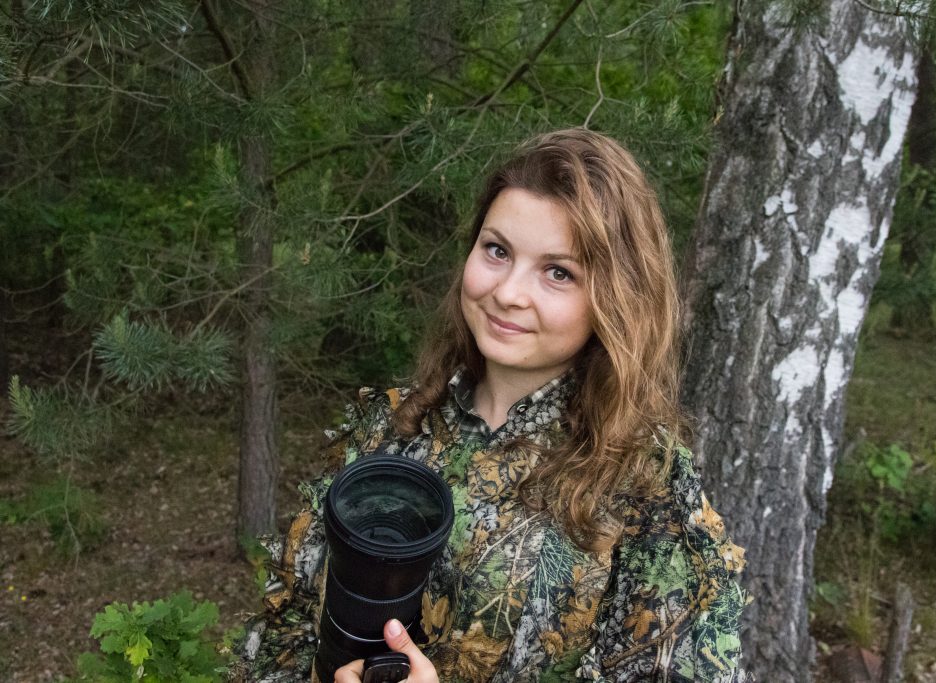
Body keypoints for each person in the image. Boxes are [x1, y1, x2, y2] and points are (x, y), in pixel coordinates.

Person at [231, 128, 751, 683]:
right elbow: (283, 632)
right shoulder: (388, 426)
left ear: (616, 298)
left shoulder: (647, 484)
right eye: (497, 251)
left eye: (558, 272)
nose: (507, 292)